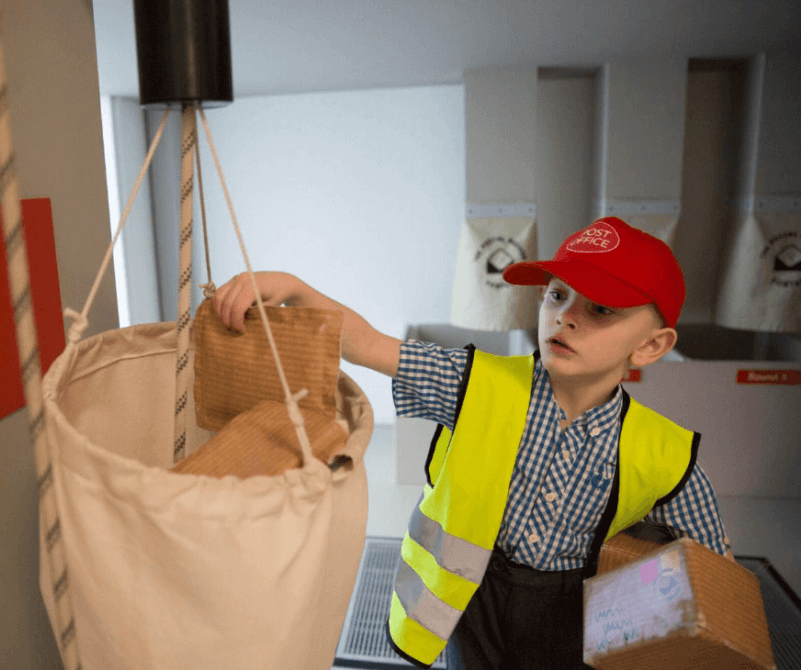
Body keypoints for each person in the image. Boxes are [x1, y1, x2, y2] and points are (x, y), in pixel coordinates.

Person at [212, 217, 732, 670]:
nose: (565, 315)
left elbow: (714, 569)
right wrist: (295, 289)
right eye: (556, 294)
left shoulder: (666, 452)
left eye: (600, 309)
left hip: (569, 608)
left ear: (650, 345)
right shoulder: (473, 381)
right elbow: (370, 344)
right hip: (470, 597)